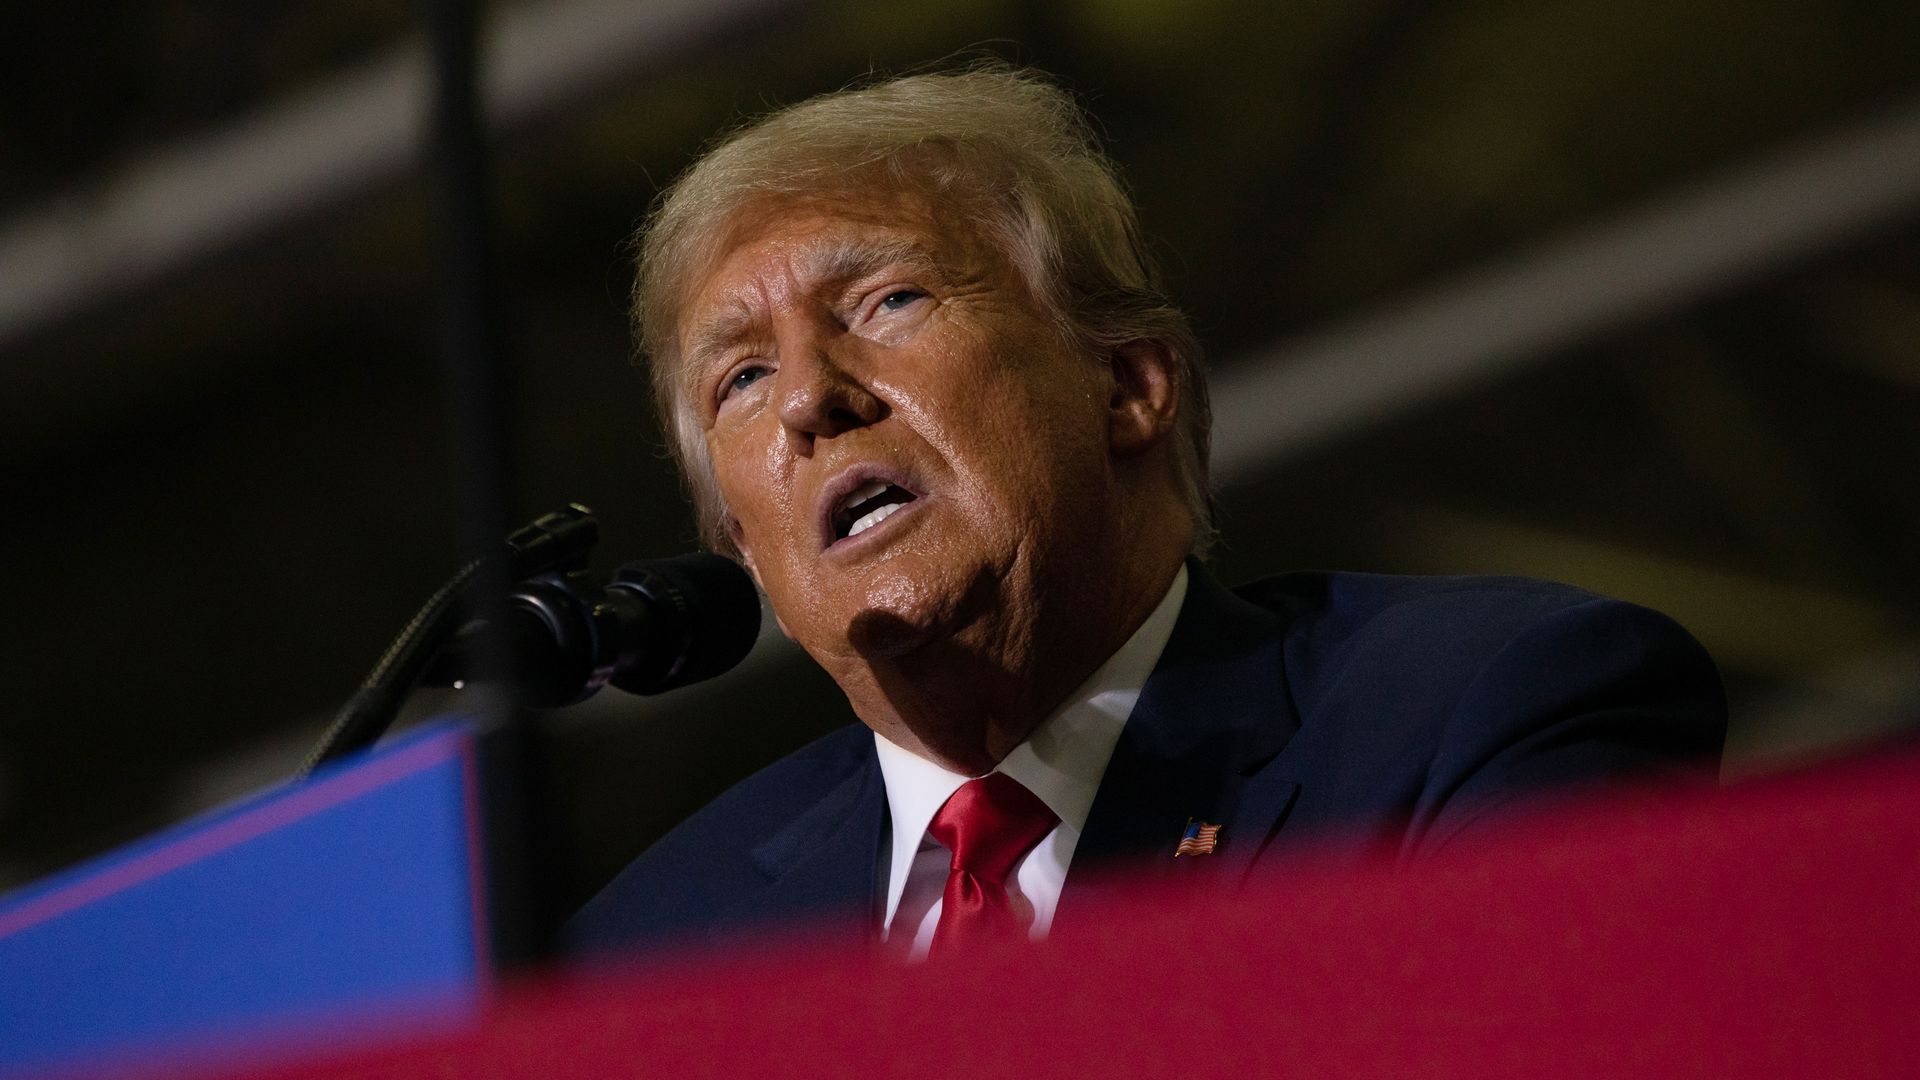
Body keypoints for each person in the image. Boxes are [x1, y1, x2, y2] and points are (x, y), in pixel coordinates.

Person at [562, 66, 1725, 962]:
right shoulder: (646, 953)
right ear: (745, 549)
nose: (813, 396)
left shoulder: (1479, 710)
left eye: (890, 298)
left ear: (1127, 386)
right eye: (742, 379)